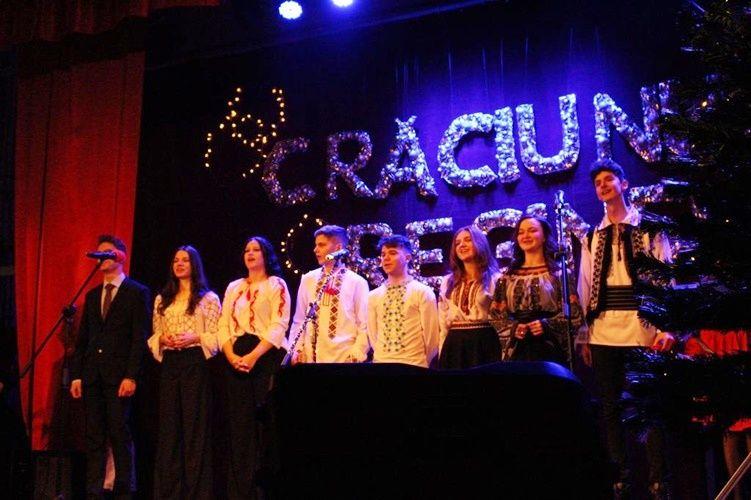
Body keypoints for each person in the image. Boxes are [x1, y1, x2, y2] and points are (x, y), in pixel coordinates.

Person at [577, 159, 675, 499]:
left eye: (609, 179)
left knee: (649, 404)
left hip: (642, 326)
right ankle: (620, 479)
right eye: (598, 182)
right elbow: (585, 287)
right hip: (604, 330)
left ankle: (659, 481)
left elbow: (664, 274)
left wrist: (664, 325)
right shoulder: (592, 236)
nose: (603, 186)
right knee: (610, 407)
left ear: (624, 183)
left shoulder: (648, 228)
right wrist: (587, 334)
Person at [70, 234, 150, 498]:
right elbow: (84, 340)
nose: (102, 257)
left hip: (118, 377)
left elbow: (139, 338)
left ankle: (123, 490)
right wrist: (77, 376)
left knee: (119, 432)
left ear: (120, 256)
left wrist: (131, 375)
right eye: (99, 253)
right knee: (94, 436)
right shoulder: (93, 295)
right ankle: (94, 492)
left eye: (107, 252)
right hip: (93, 376)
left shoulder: (136, 292)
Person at [217, 236, 290, 499]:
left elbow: (279, 324)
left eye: (256, 249)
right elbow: (223, 323)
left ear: (265, 254)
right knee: (239, 426)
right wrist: (231, 355)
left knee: (263, 424)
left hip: (265, 355)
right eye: (247, 250)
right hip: (236, 356)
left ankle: (263, 490)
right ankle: (239, 491)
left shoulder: (276, 284)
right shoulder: (234, 287)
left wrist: (254, 356)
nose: (250, 253)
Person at [147, 245, 220, 499]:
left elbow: (216, 336)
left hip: (194, 362)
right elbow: (155, 333)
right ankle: (169, 492)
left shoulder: (208, 299)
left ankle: (196, 493)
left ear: (194, 265)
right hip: (170, 364)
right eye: (176, 260)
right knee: (169, 429)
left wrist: (194, 337)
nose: (179, 264)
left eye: (185, 260)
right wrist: (163, 339)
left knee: (194, 429)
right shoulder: (162, 299)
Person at [490, 215, 582, 365]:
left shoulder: (559, 274)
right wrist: (513, 328)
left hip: (549, 347)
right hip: (518, 348)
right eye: (521, 232)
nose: (526, 235)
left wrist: (546, 325)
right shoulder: (507, 277)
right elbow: (495, 314)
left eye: (532, 230)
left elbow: (575, 313)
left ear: (544, 237)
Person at [289, 225, 369, 364]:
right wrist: (297, 350)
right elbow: (299, 320)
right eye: (316, 245)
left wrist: (356, 353)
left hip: (344, 361)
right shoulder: (308, 279)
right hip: (310, 360)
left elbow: (364, 325)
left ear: (338, 248)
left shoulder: (357, 282)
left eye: (321, 245)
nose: (315, 250)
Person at [367, 235, 439, 368]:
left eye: (392, 253)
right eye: (383, 254)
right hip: (381, 364)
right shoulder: (373, 296)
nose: (386, 258)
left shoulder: (422, 292)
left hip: (414, 365)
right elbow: (373, 335)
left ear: (407, 257)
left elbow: (432, 338)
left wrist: (421, 362)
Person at [438, 225, 502, 369]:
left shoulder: (496, 279)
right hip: (454, 346)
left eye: (468, 240)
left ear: (480, 243)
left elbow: (502, 320)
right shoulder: (447, 282)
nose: (462, 245)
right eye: (457, 243)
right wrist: (442, 352)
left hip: (484, 344)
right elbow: (443, 323)